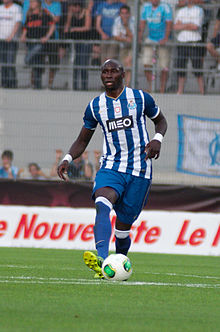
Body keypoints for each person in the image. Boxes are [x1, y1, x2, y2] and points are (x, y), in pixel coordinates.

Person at [57, 59, 167, 279]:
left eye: (113, 71)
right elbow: (83, 139)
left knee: (123, 229)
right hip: (111, 166)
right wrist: (68, 157)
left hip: (139, 170)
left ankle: (117, 263)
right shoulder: (95, 106)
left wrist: (157, 139)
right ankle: (101, 258)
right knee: (102, 202)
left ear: (122, 74)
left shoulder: (140, 98)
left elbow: (161, 121)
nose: (108, 75)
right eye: (104, 71)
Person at [139, 0, 173, 93]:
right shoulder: (146, 7)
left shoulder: (165, 7)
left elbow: (169, 23)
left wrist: (165, 38)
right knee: (146, 63)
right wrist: (139, 37)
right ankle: (151, 86)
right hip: (151, 38)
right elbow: (142, 23)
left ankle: (162, 89)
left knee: (164, 66)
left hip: (163, 39)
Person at [20, 0, 55, 89]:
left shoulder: (44, 13)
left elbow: (52, 25)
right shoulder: (30, 15)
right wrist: (23, 36)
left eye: (33, 2)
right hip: (31, 43)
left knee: (29, 60)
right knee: (37, 65)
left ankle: (27, 60)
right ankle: (37, 85)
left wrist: (46, 37)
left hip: (40, 42)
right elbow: (25, 28)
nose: (31, 4)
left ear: (38, 3)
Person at [173, 0, 204, 94]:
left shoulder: (199, 10)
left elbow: (196, 27)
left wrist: (182, 25)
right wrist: (188, 24)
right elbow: (175, 26)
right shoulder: (181, 11)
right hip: (182, 41)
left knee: (197, 67)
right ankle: (180, 90)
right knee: (181, 66)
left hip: (194, 41)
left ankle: (202, 91)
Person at [64, 0, 92, 90]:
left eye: (76, 6)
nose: (75, 9)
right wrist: (69, 17)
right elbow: (66, 28)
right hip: (75, 42)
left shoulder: (86, 12)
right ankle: (74, 86)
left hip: (85, 42)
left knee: (83, 64)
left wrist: (74, 29)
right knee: (75, 65)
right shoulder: (71, 13)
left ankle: (84, 87)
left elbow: (87, 27)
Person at [0, 0, 22, 88]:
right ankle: (4, 83)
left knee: (10, 62)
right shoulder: (0, 8)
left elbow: (18, 23)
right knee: (3, 63)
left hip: (11, 41)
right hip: (1, 40)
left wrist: (11, 36)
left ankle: (12, 83)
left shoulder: (16, 8)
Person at [112, 4, 134, 86]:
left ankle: (128, 85)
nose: (124, 15)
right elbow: (115, 36)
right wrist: (125, 38)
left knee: (129, 62)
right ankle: (126, 84)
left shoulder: (133, 21)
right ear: (120, 14)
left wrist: (126, 26)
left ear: (129, 14)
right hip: (123, 46)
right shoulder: (117, 21)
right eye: (122, 13)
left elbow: (133, 38)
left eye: (126, 13)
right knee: (124, 66)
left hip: (133, 47)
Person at [42, 0, 61, 88]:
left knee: (53, 63)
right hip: (41, 37)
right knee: (38, 62)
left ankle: (50, 85)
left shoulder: (57, 5)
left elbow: (56, 19)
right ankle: (35, 84)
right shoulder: (40, 3)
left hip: (53, 38)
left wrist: (46, 13)